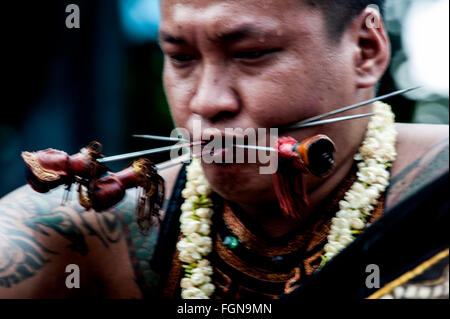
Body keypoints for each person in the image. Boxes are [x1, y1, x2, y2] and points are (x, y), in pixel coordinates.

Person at [0, 0, 448, 299]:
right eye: (181, 58)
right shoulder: (91, 233)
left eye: (252, 53)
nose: (205, 102)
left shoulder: (437, 188)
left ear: (366, 50)